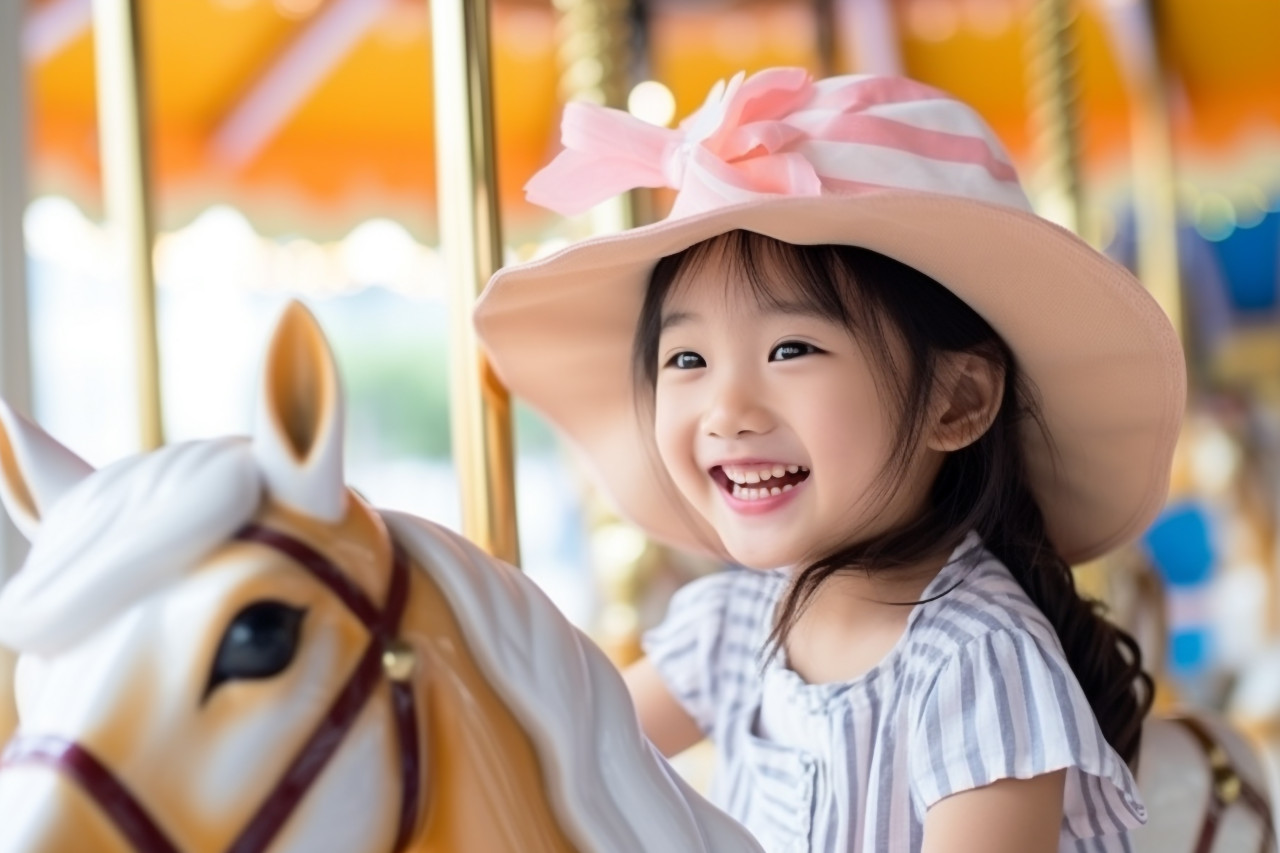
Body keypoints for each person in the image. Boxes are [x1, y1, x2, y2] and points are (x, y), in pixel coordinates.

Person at [474, 68, 1185, 853]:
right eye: (685, 359)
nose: (727, 410)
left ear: (956, 403)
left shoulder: (978, 664)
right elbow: (544, 762)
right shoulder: (738, 629)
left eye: (791, 347)